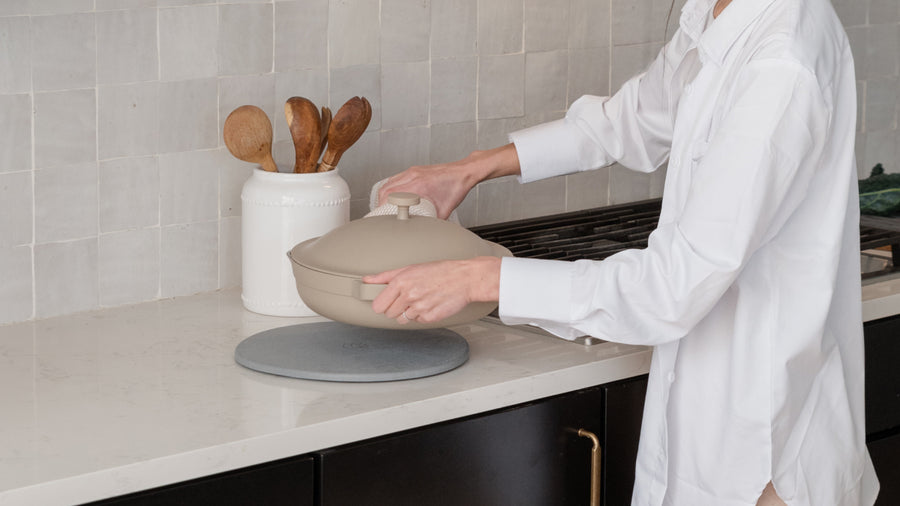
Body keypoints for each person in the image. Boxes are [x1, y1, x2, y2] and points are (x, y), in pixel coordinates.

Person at [363, 0, 881, 503]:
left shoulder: (781, 66)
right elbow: (634, 119)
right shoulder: (718, 10)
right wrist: (472, 168)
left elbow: (672, 287)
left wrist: (483, 280)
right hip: (713, 429)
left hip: (764, 455)